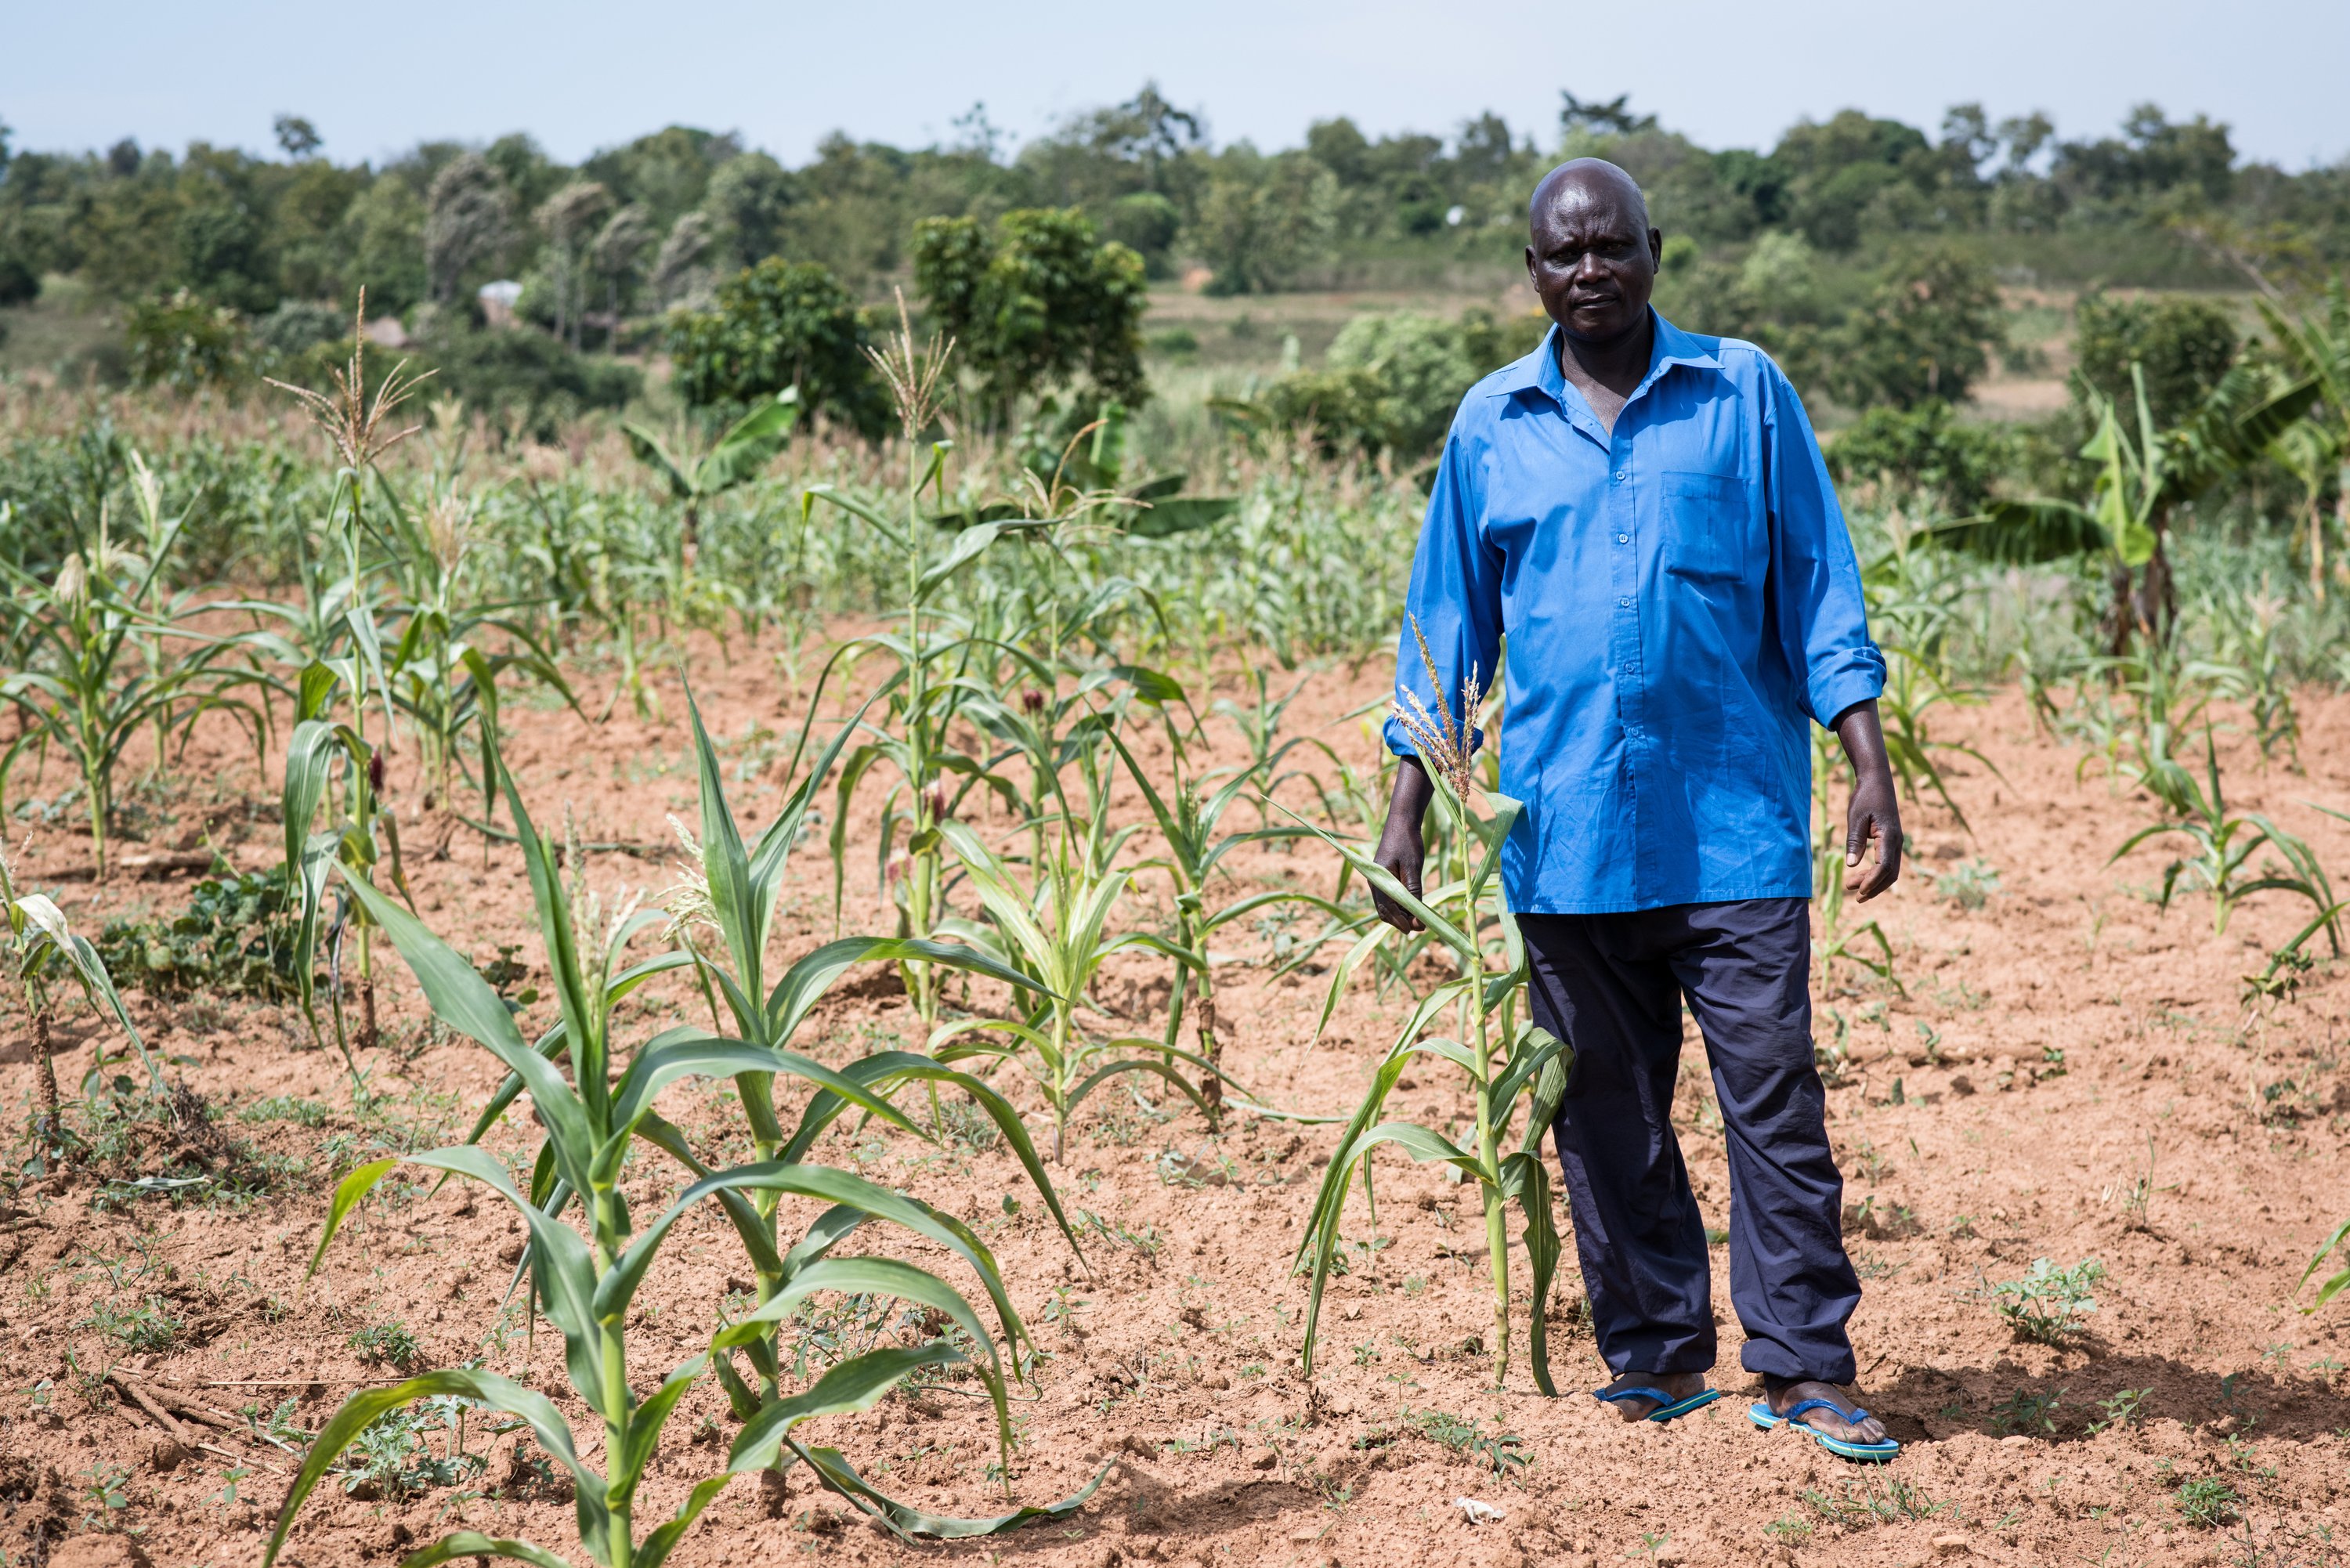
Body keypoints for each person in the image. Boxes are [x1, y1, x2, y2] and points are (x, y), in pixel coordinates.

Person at [1372, 158, 1902, 1461]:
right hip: (1563, 841)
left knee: (1772, 1099)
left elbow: (1820, 585)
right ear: (1534, 272)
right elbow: (1446, 632)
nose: (1590, 270)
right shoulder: (1491, 423)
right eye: (1564, 255)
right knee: (1602, 1110)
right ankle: (1657, 1352)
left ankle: (1807, 1364)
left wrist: (1868, 755)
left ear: (1654, 249)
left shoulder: (1744, 394)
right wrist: (1407, 808)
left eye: (1612, 245)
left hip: (1733, 826)